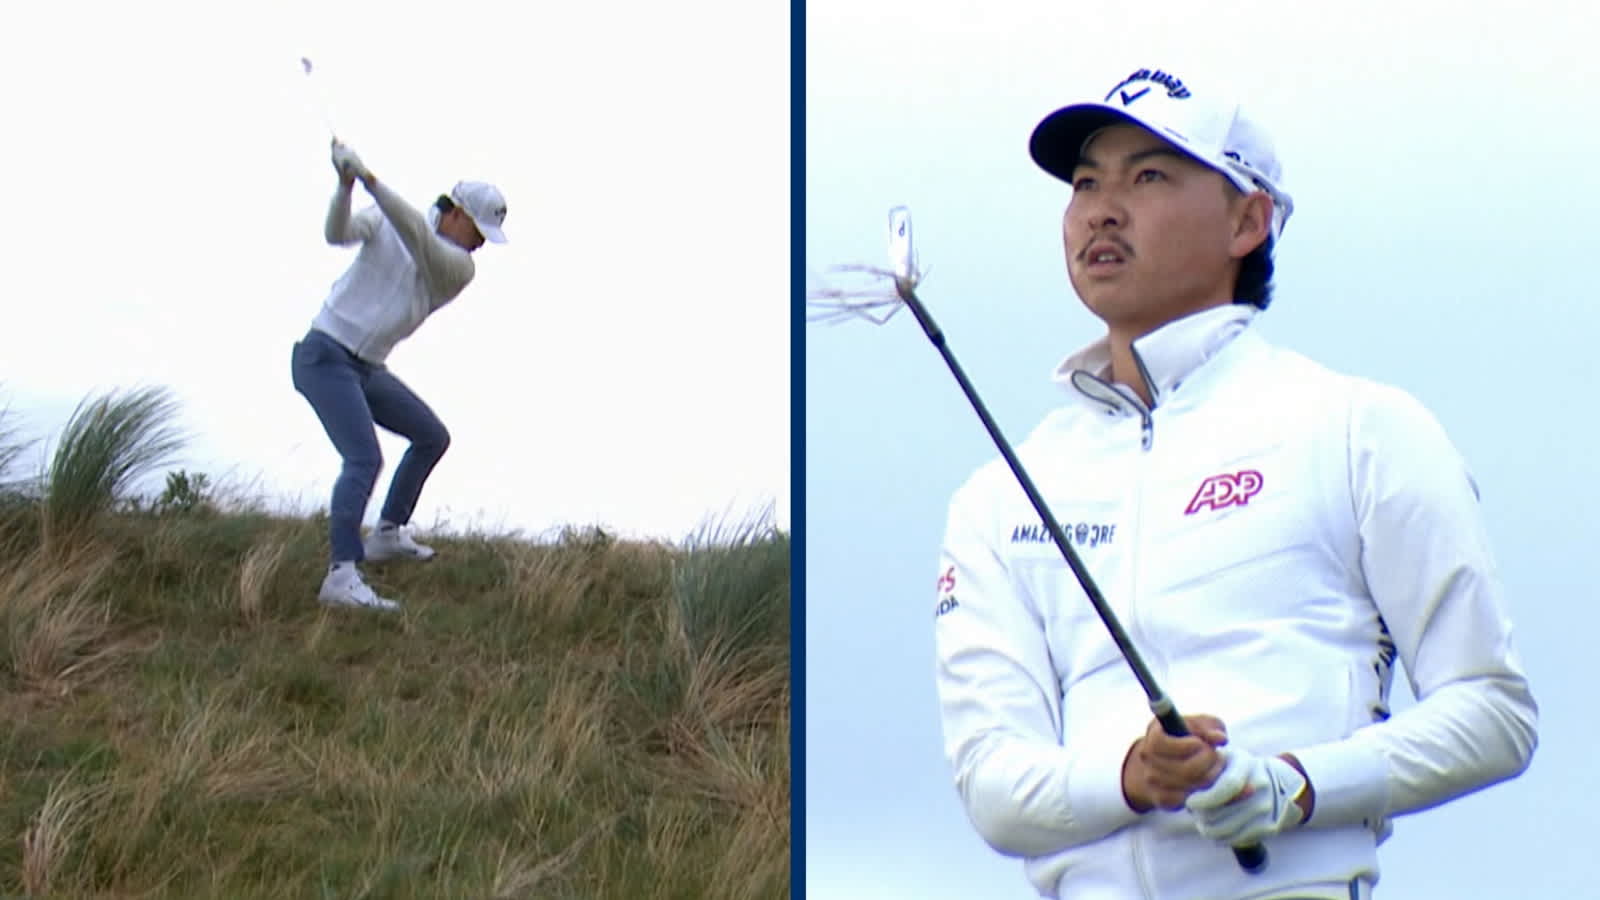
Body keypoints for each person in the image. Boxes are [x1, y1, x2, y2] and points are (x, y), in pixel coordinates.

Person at [931, 66, 1537, 900]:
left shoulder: (1361, 427)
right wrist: (1134, 777)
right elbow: (994, 787)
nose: (1102, 208)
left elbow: (1493, 715)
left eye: (1148, 175)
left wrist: (1292, 786)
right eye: (1084, 182)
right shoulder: (1001, 493)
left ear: (1248, 220)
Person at [291, 138, 508, 611]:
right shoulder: (393, 223)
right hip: (324, 355)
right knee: (364, 459)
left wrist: (370, 180)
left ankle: (387, 533)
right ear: (454, 212)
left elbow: (416, 234)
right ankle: (341, 575)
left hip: (366, 368)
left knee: (431, 436)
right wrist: (347, 187)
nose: (480, 245)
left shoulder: (457, 268)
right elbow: (338, 233)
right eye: (478, 230)